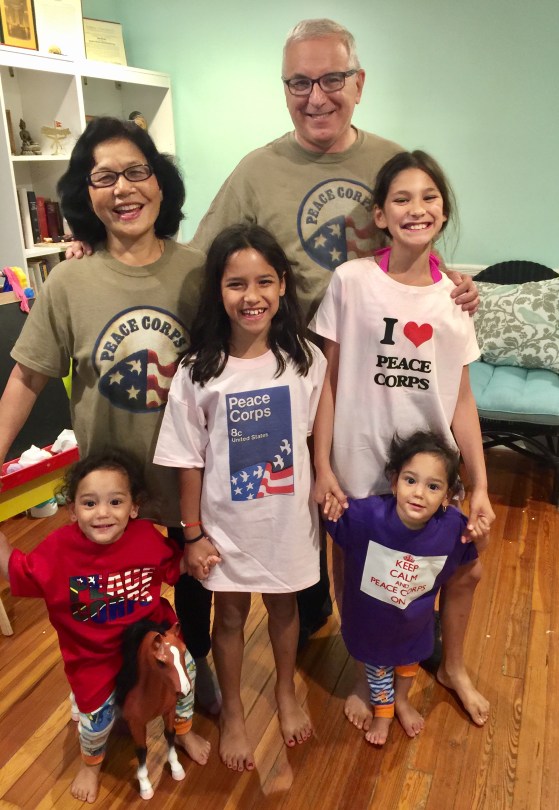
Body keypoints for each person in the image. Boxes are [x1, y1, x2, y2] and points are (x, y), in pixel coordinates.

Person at [64, 20, 480, 662]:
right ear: (284, 89)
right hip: (275, 376)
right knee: (293, 516)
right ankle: (282, 642)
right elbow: (196, 257)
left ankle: (395, 634)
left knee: (384, 515)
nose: (317, 96)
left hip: (361, 382)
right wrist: (100, 244)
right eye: (299, 83)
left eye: (332, 79)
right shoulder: (257, 170)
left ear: (359, 83)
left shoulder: (389, 160)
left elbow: (419, 238)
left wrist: (455, 285)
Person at [0, 117, 221, 714]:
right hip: (111, 485)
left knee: (192, 582)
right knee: (118, 595)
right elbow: (27, 375)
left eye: (136, 171)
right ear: (86, 195)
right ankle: (124, 682)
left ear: (160, 182)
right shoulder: (68, 282)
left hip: (189, 477)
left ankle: (193, 661)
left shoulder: (200, 270)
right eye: (104, 178)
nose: (123, 188)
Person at [312, 150, 495, 729]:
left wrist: (480, 485)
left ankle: (451, 666)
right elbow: (327, 382)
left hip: (431, 476)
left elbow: (460, 400)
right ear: (381, 215)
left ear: (444, 210)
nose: (417, 208)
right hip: (360, 464)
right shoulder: (352, 281)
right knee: (356, 571)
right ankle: (367, 673)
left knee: (462, 569)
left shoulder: (455, 298)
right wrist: (323, 466)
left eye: (429, 197)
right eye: (402, 199)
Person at [153, 224, 326, 772]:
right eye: (236, 284)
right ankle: (232, 713)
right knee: (228, 616)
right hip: (225, 525)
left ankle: (285, 692)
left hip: (287, 518)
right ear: (218, 290)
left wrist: (325, 477)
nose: (252, 296)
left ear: (283, 285)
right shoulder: (197, 371)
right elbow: (188, 458)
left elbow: (317, 430)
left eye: (264, 282)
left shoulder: (305, 359)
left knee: (285, 607)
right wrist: (192, 535)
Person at [0, 449, 212, 804]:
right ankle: (91, 765)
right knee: (95, 720)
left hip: (150, 646)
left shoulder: (145, 537)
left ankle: (184, 731)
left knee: (185, 674)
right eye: (89, 503)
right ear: (72, 510)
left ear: (133, 507)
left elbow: (173, 566)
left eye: (115, 501)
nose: (102, 513)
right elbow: (15, 569)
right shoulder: (58, 550)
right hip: (93, 660)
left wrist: (196, 559)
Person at [323, 430, 482, 746]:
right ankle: (384, 713)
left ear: (447, 496)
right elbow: (334, 519)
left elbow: (472, 551)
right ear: (394, 482)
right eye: (411, 481)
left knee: (409, 664)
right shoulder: (366, 516)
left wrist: (481, 530)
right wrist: (328, 498)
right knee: (377, 666)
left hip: (415, 624)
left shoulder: (451, 528)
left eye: (433, 486)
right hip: (372, 625)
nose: (419, 493)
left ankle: (402, 700)